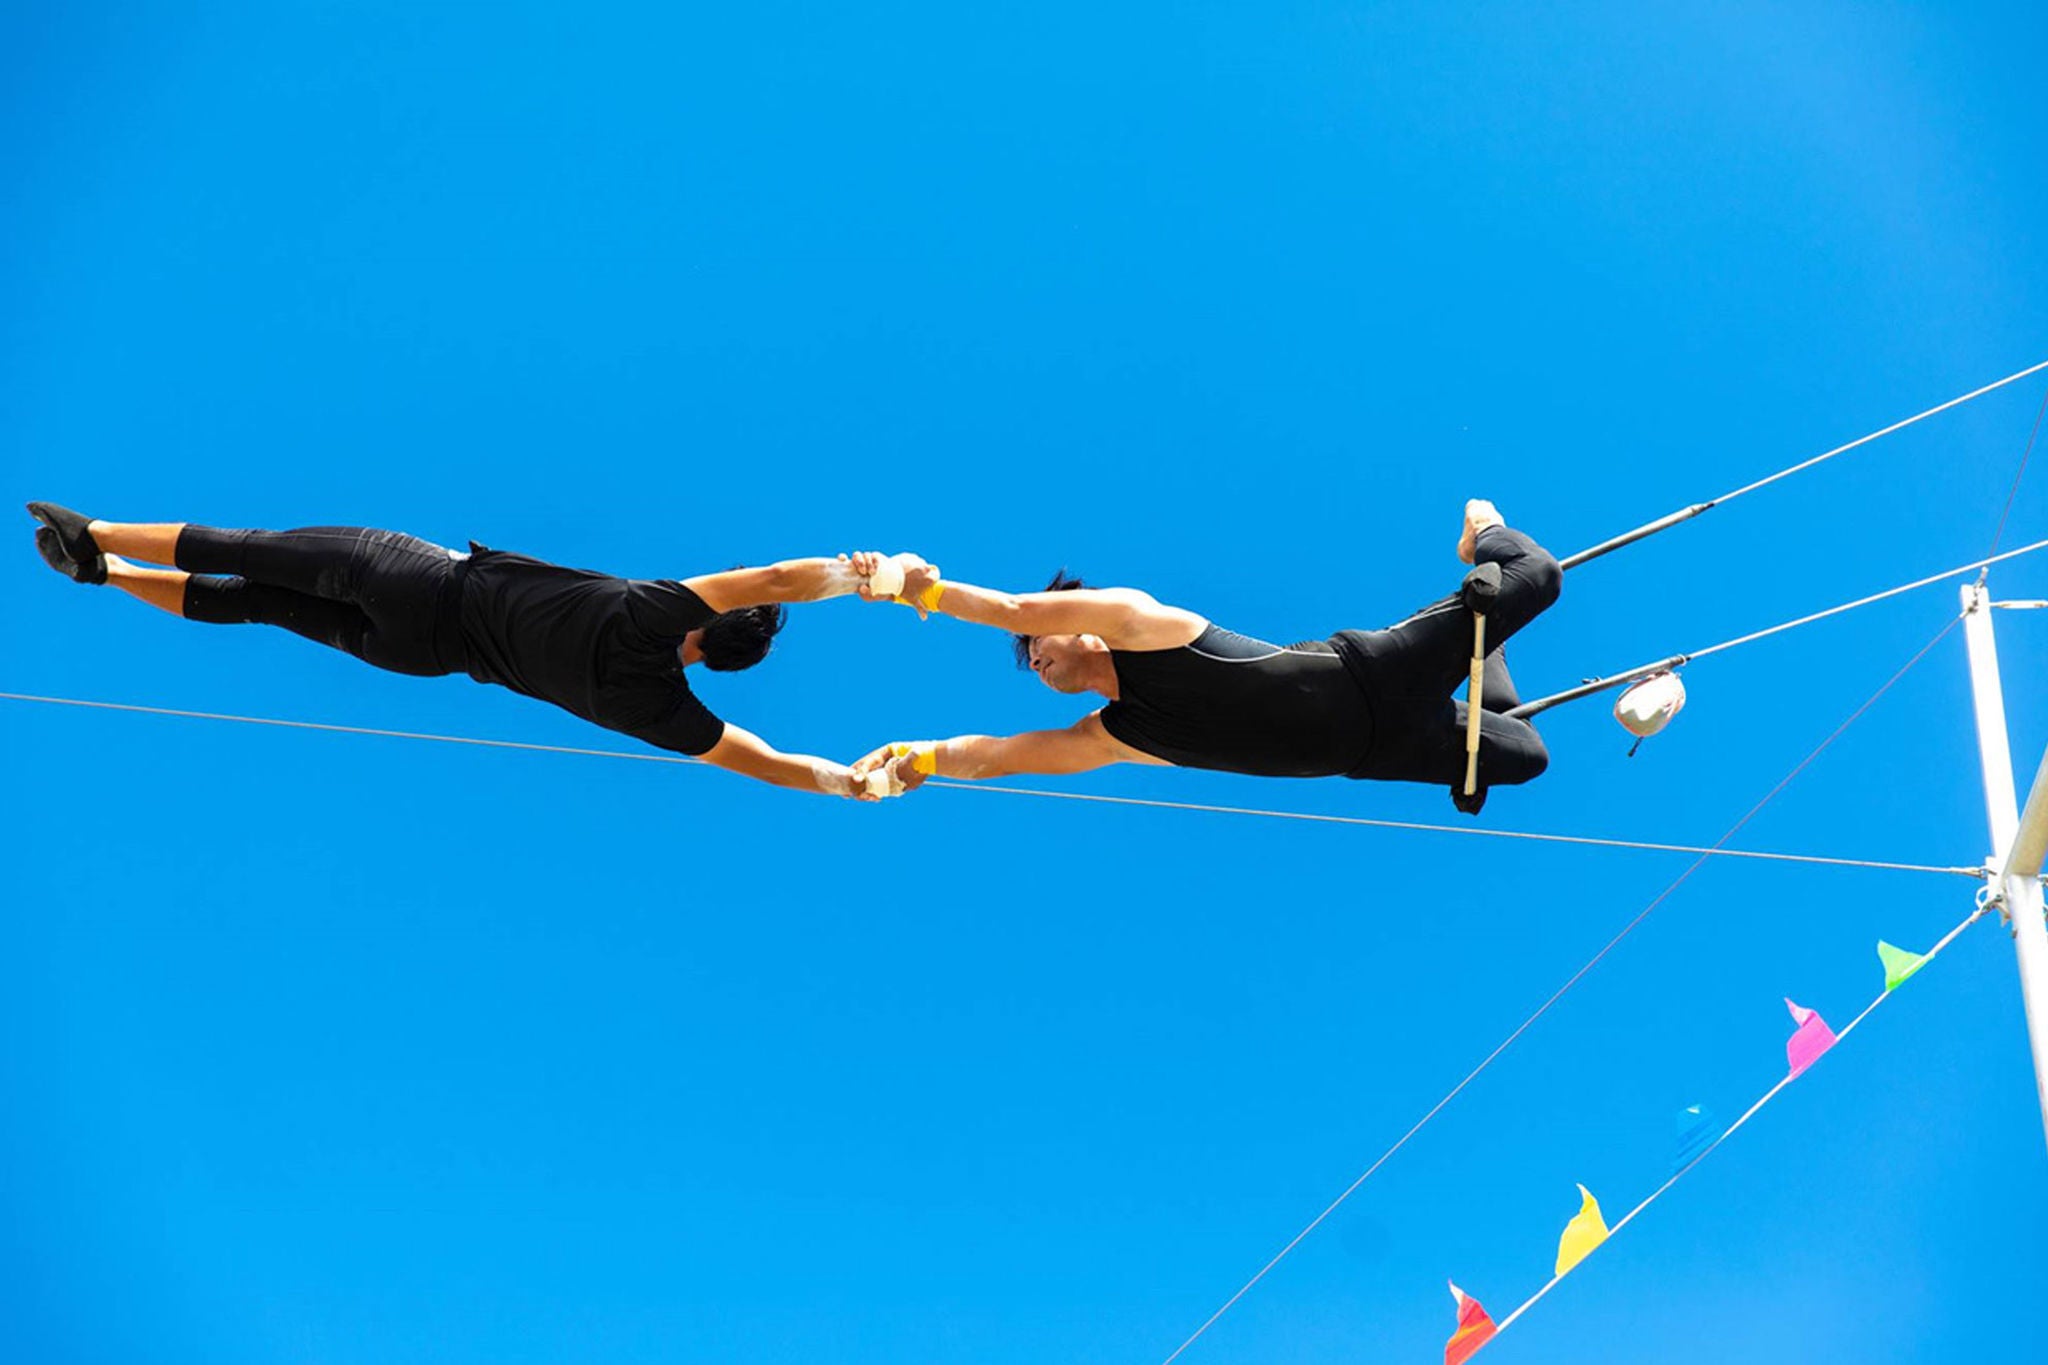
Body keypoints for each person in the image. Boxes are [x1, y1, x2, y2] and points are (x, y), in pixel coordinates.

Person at [27, 500, 881, 798]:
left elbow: (773, 577)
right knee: (252, 604)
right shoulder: (660, 710)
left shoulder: (649, 612)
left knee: (249, 551)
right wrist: (847, 780)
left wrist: (857, 575)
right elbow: (765, 761)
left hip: (419, 581)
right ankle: (105, 575)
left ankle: (95, 531)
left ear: (709, 621)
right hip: (419, 652)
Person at [850, 500, 1561, 812]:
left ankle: (1482, 530)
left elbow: (1011, 610)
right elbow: (1002, 756)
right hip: (1374, 752)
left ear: (1078, 623)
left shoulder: (1138, 623)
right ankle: (1486, 641)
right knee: (1525, 756)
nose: (1032, 659)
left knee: (1537, 575)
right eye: (1028, 662)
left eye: (1037, 646)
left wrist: (923, 589)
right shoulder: (1111, 738)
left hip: (1371, 674)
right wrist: (921, 758)